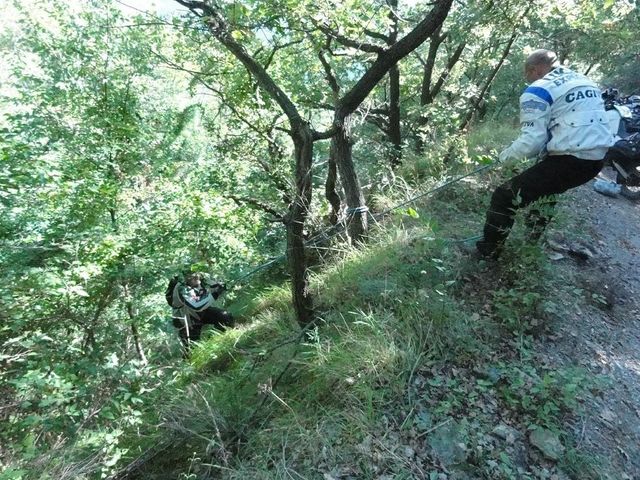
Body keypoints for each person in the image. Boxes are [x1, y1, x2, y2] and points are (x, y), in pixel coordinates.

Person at [476, 49, 614, 258]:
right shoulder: (585, 81)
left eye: (528, 75)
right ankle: (530, 246)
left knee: (504, 196)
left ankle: (488, 252)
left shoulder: (539, 89)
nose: (528, 80)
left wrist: (502, 159)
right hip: (596, 160)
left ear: (535, 70)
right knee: (547, 191)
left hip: (570, 159)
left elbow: (532, 142)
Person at [168, 271, 234, 353]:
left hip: (201, 312)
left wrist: (222, 286)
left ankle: (219, 342)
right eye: (191, 276)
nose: (195, 278)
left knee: (226, 317)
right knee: (192, 350)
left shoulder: (202, 277)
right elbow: (197, 306)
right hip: (186, 320)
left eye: (196, 275)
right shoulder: (181, 288)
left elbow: (214, 285)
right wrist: (216, 294)